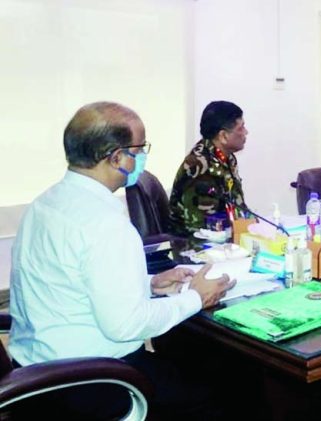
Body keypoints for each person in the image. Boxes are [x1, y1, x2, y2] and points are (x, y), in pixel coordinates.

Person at [9, 102, 236, 419]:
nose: (143, 157)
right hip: (90, 380)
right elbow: (127, 325)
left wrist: (150, 283)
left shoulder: (46, 203)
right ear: (116, 158)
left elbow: (75, 281)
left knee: (188, 363)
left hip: (33, 370)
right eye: (140, 149)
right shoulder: (106, 224)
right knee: (220, 395)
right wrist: (197, 297)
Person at [169, 101, 249, 236]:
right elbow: (202, 229)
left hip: (223, 239)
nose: (246, 132)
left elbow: (238, 207)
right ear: (223, 136)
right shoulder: (200, 167)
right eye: (241, 128)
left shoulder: (226, 158)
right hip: (193, 246)